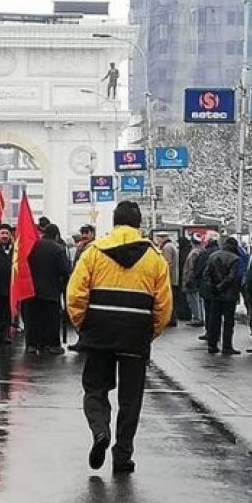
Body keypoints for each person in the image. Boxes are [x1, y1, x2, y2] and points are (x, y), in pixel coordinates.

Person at [66, 201, 172, 473]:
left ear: (113, 223)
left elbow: (75, 294)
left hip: (99, 330)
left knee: (95, 389)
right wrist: (150, 332)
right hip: (135, 334)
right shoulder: (155, 257)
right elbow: (163, 305)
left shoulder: (93, 252)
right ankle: (122, 454)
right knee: (131, 397)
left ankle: (100, 430)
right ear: (139, 225)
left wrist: (83, 325)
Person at [24, 224, 70, 355]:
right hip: (51, 290)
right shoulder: (57, 249)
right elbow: (64, 269)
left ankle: (32, 345)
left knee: (32, 319)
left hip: (30, 289)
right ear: (56, 235)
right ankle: (50, 344)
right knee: (50, 320)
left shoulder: (31, 246)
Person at [204, 236, 242, 355]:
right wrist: (221, 286)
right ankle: (227, 346)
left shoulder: (213, 256)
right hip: (229, 294)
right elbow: (232, 277)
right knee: (228, 322)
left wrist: (213, 287)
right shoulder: (235, 258)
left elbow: (206, 274)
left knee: (214, 320)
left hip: (215, 295)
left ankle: (212, 344)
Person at [195, 232, 220, 342]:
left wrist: (198, 281)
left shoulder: (206, 253)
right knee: (217, 311)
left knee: (208, 310)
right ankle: (216, 332)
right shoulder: (221, 252)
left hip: (207, 285)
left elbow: (199, 269)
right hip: (219, 286)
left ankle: (209, 332)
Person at [155, 232, 179, 327]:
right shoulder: (172, 246)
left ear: (163, 238)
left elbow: (166, 263)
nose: (157, 240)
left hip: (170, 278)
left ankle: (171, 319)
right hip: (174, 277)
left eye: (158, 238)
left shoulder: (166, 248)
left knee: (168, 300)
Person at [182, 233, 205, 327]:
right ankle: (200, 317)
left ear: (192, 242)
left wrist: (189, 280)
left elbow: (191, 268)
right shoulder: (201, 251)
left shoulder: (193, 253)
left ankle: (196, 318)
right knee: (198, 300)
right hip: (198, 280)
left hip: (192, 280)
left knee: (193, 300)